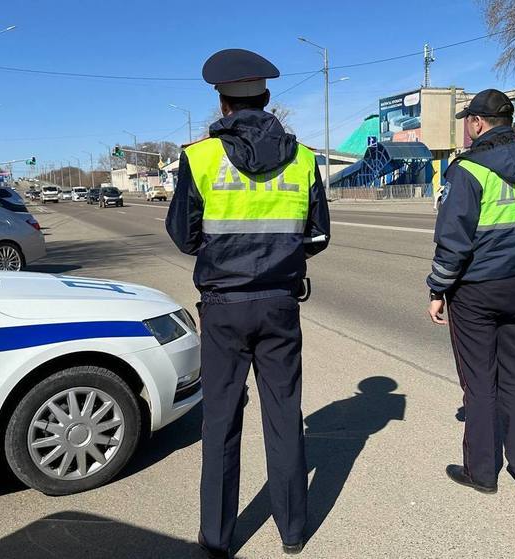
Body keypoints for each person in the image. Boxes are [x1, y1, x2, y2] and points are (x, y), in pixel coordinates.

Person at [166, 48, 330, 558]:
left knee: (220, 421)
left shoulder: (199, 158)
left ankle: (217, 537)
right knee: (285, 416)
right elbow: (318, 235)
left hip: (222, 308)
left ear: (222, 103)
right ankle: (293, 531)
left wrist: (224, 255)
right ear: (266, 98)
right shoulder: (303, 159)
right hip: (280, 305)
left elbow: (183, 234)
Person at [426, 89, 515, 494]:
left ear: (478, 123)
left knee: (480, 381)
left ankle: (482, 473)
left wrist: (437, 288)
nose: (467, 127)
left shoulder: (468, 170)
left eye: (468, 120)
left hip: (475, 291)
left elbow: (454, 240)